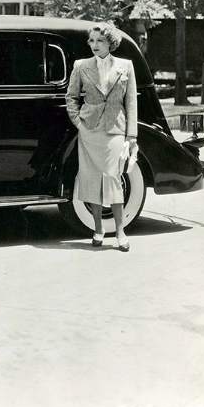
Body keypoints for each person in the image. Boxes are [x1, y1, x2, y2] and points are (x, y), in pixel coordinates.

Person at [65, 24, 138, 252]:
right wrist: (79, 124)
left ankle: (120, 231)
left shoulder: (126, 66)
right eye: (92, 41)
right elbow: (71, 97)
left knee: (113, 177)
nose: (95, 45)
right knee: (92, 178)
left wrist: (131, 136)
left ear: (111, 43)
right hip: (90, 130)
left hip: (115, 129)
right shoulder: (81, 66)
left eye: (100, 41)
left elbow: (131, 103)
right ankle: (98, 230)